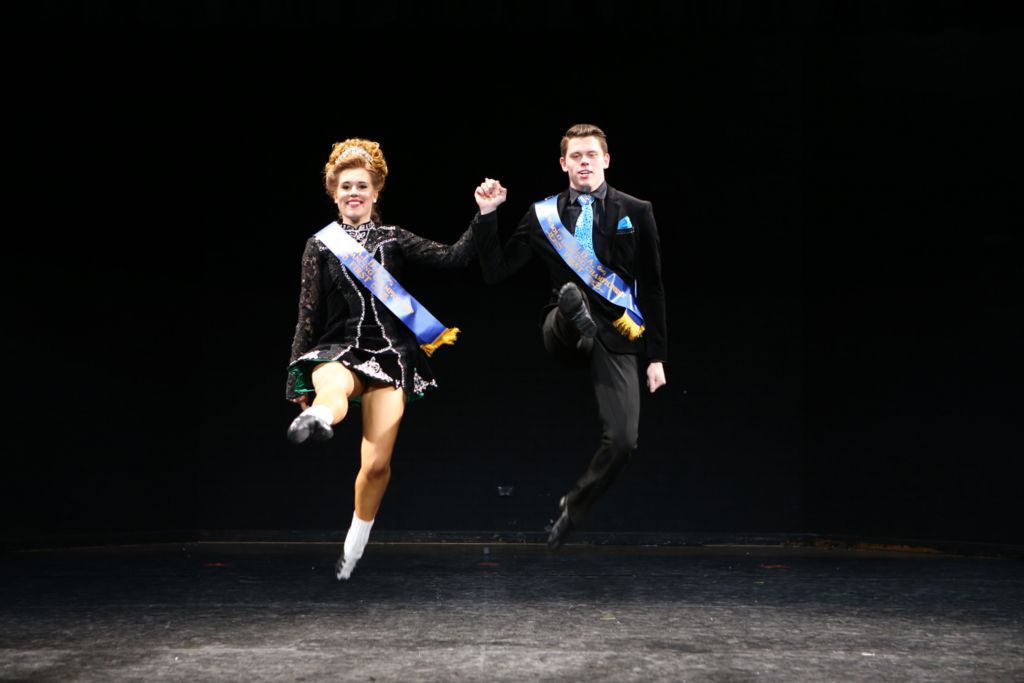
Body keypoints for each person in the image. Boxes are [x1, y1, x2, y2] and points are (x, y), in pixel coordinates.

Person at [285, 137, 487, 580]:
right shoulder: (320, 245)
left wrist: (484, 214)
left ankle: (353, 548)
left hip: (391, 357)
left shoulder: (393, 239)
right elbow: (307, 313)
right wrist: (294, 379)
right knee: (332, 387)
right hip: (341, 347)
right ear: (334, 194)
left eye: (362, 185)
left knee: (376, 466)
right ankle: (318, 418)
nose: (353, 193)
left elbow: (453, 258)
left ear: (376, 192)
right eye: (345, 187)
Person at [472, 123, 668, 549]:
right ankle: (572, 310)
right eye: (576, 156)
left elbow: (652, 287)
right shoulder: (543, 215)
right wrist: (488, 215)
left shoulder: (637, 211)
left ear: (606, 160)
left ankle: (574, 507)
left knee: (624, 440)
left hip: (616, 332)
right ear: (563, 164)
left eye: (591, 155)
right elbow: (496, 271)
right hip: (562, 330)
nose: (584, 163)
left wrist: (656, 356)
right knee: (568, 301)